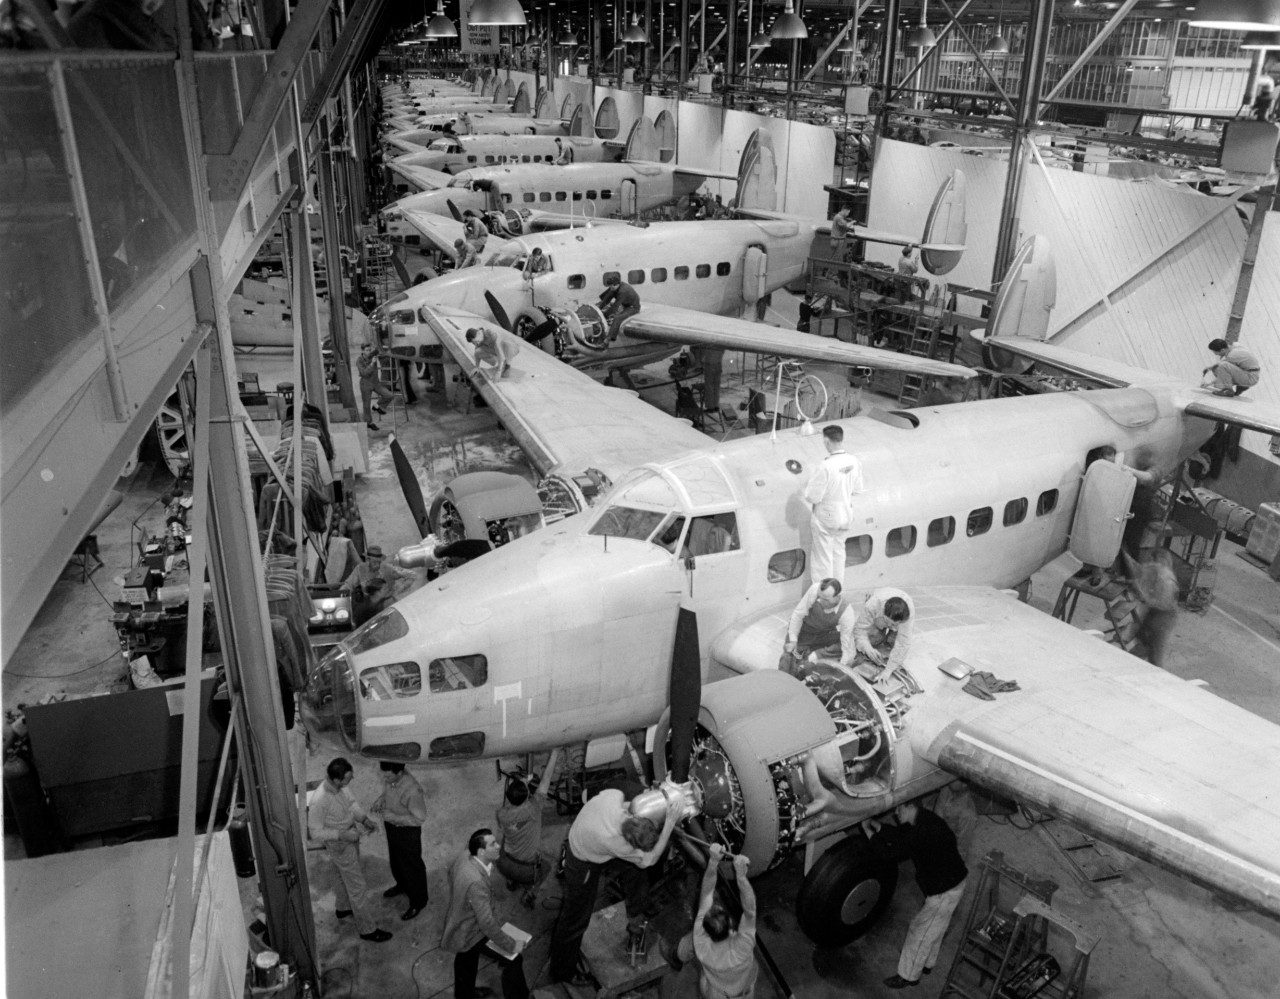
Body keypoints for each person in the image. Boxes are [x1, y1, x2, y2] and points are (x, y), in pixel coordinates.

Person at [549, 787, 683, 983]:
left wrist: (650, 802)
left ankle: (636, 913)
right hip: (582, 862)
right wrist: (669, 823)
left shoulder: (615, 796)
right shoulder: (616, 842)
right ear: (630, 842)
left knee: (634, 870)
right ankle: (562, 971)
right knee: (575, 920)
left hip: (590, 836)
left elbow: (628, 802)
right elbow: (650, 860)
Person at [865, 801, 968, 989]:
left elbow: (889, 853)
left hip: (945, 891)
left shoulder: (921, 832)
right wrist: (876, 825)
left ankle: (908, 976)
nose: (896, 812)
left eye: (899, 808)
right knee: (936, 928)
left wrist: (868, 833)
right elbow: (901, 836)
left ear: (911, 806)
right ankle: (927, 964)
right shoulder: (925, 819)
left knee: (919, 931)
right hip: (955, 882)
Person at [308, 758, 393, 943]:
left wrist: (364, 819)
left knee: (340, 875)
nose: (352, 779)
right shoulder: (319, 801)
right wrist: (341, 835)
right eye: (348, 778)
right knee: (358, 886)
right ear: (336, 780)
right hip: (341, 844)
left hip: (350, 836)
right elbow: (314, 831)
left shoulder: (340, 787)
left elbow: (351, 803)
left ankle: (343, 908)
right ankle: (367, 929)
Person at [442, 829, 530, 999]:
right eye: (493, 844)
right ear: (481, 851)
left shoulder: (465, 855)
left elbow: (452, 873)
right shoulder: (477, 883)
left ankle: (465, 995)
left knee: (466, 958)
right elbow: (487, 924)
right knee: (514, 959)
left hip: (461, 924)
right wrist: (512, 945)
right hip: (471, 931)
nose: (499, 846)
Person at [673, 844, 758, 999]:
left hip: (717, 994)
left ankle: (678, 956)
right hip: (743, 994)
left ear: (706, 931)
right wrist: (741, 876)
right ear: (732, 928)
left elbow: (706, 894)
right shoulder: (743, 947)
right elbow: (750, 910)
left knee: (688, 950)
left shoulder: (701, 943)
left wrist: (713, 861)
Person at [803, 425, 866, 583]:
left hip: (826, 517)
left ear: (826, 441)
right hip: (845, 515)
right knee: (839, 554)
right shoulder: (853, 461)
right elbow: (858, 489)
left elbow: (812, 497)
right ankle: (837, 591)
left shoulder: (826, 466)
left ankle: (824, 596)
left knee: (822, 558)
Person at [371, 761, 430, 921]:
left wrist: (395, 817)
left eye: (387, 775)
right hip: (392, 827)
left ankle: (419, 901)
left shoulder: (412, 791)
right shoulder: (391, 777)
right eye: (383, 774)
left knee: (412, 866)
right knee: (396, 861)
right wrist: (382, 799)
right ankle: (402, 885)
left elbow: (419, 819)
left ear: (399, 773)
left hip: (407, 832)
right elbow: (389, 790)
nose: (384, 778)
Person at [781, 577, 856, 675]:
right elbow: (798, 615)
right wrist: (793, 640)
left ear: (837, 597)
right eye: (819, 597)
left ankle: (818, 654)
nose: (820, 601)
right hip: (804, 632)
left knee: (851, 644)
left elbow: (846, 647)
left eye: (825, 599)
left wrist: (841, 668)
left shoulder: (847, 612)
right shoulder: (815, 589)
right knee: (787, 660)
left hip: (823, 635)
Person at [496, 775, 547, 901]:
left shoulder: (501, 814)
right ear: (527, 795)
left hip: (503, 864)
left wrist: (522, 782)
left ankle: (511, 882)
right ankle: (530, 892)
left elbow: (511, 800)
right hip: (526, 872)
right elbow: (545, 782)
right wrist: (554, 754)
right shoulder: (533, 809)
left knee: (505, 837)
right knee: (547, 867)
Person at [851, 587, 914, 679]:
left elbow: (903, 643)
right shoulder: (872, 605)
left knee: (894, 643)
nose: (891, 627)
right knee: (873, 639)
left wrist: (888, 670)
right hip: (877, 607)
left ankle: (890, 639)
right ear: (883, 612)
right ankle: (881, 633)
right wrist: (868, 648)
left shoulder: (908, 615)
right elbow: (860, 630)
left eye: (894, 624)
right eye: (887, 622)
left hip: (898, 613)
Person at [349, 545, 417, 613]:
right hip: (367, 609)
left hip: (386, 608)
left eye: (379, 562)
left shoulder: (388, 569)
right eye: (375, 562)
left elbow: (411, 575)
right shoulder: (360, 569)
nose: (378, 565)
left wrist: (398, 590)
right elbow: (349, 584)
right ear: (367, 560)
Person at [357, 342, 398, 432]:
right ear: (362, 351)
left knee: (389, 395)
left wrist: (382, 344)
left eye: (369, 350)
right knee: (366, 405)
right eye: (367, 350)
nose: (369, 352)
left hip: (376, 383)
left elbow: (380, 348)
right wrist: (372, 364)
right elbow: (364, 373)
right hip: (365, 383)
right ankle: (369, 423)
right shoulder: (359, 360)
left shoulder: (372, 355)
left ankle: (378, 406)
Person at [597, 272, 641, 341]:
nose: (610, 288)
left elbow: (615, 307)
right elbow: (606, 299)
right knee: (609, 294)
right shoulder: (615, 287)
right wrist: (598, 309)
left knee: (617, 318)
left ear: (616, 285)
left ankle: (609, 338)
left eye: (611, 286)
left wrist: (604, 316)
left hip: (633, 307)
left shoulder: (623, 291)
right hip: (625, 304)